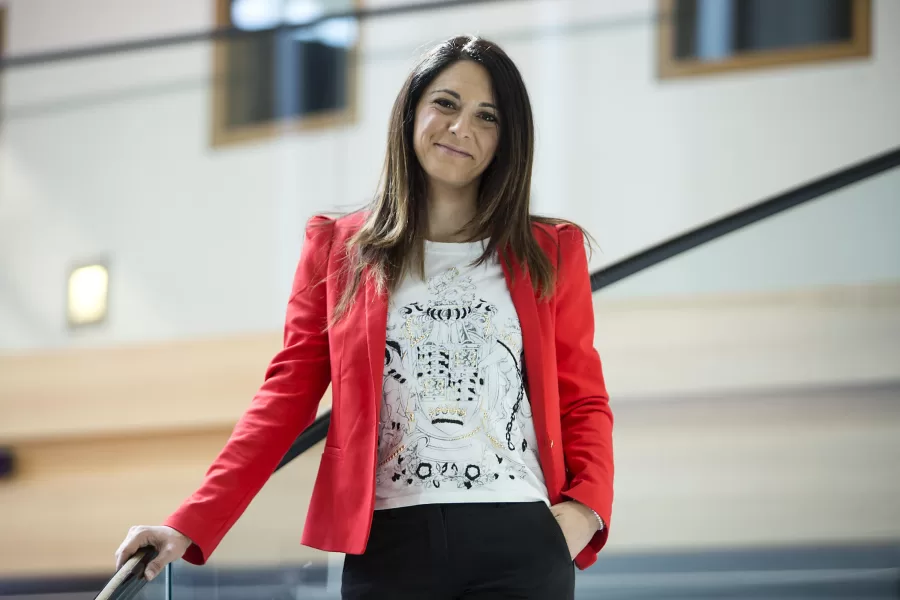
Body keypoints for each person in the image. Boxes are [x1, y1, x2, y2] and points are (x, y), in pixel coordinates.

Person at [115, 34, 614, 599]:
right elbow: (285, 396)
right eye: (446, 103)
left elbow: (583, 400)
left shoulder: (550, 252)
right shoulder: (338, 250)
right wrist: (190, 522)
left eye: (487, 116)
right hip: (389, 543)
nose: (460, 128)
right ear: (412, 110)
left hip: (521, 538)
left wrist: (585, 512)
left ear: (507, 139)